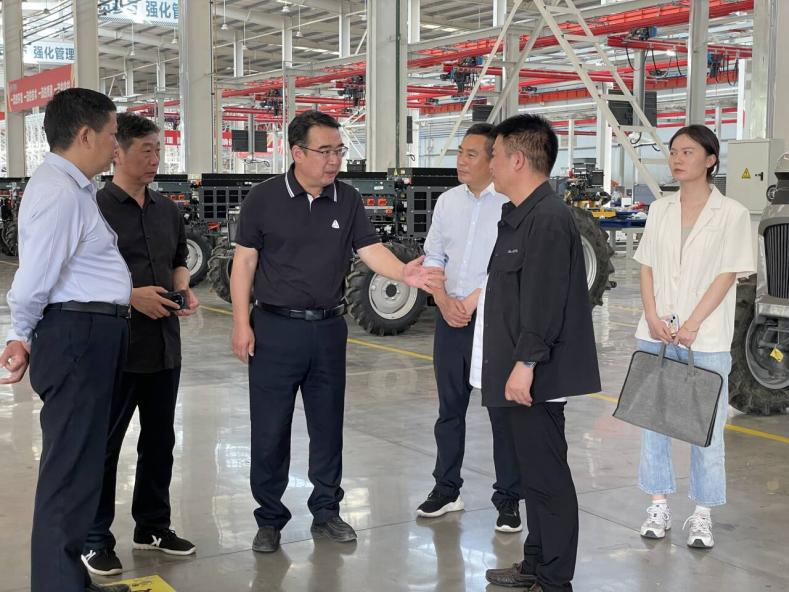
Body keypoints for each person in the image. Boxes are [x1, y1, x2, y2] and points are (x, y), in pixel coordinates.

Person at [230, 110, 443, 553]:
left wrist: (405, 272)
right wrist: (240, 323)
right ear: (297, 152)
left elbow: (369, 249)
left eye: (339, 150)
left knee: (327, 427)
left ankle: (326, 512)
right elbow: (244, 262)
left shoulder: (346, 198)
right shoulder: (263, 198)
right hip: (274, 329)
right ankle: (269, 518)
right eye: (325, 151)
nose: (334, 160)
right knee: (269, 429)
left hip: (328, 329)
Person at [0, 89, 132, 592]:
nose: (117, 146)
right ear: (85, 135)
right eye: (113, 135)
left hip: (90, 335)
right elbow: (33, 279)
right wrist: (20, 334)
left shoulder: (73, 189)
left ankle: (67, 578)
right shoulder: (58, 192)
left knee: (79, 470)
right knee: (69, 473)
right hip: (78, 336)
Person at [481, 114, 601, 592]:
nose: (489, 163)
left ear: (517, 159)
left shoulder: (548, 219)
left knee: (547, 478)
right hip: (516, 370)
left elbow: (545, 301)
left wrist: (525, 364)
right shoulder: (519, 215)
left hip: (536, 374)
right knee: (531, 474)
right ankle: (535, 562)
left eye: (494, 155)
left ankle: (554, 579)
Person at [80, 113, 199, 577]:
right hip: (114, 348)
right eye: (146, 150)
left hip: (163, 346)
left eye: (158, 150)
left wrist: (182, 287)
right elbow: (77, 277)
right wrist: (130, 297)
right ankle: (95, 537)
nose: (155, 159)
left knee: (160, 441)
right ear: (118, 152)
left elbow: (177, 259)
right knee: (104, 445)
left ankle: (152, 527)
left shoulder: (166, 210)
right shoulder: (93, 209)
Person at [634, 125, 754, 549]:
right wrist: (651, 316)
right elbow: (646, 266)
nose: (677, 158)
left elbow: (727, 273)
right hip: (656, 334)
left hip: (705, 339)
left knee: (707, 428)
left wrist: (693, 324)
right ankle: (658, 504)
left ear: (710, 159)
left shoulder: (732, 213)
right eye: (673, 152)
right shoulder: (660, 210)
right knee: (654, 423)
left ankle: (702, 513)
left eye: (687, 151)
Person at [416, 124, 522, 532]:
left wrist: (474, 300)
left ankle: (508, 498)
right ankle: (446, 488)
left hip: (493, 321)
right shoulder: (448, 202)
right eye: (460, 152)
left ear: (494, 159)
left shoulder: (511, 204)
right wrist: (442, 300)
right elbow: (433, 255)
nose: (461, 161)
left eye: (471, 154)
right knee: (449, 410)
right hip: (451, 318)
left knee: (502, 413)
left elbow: (509, 265)